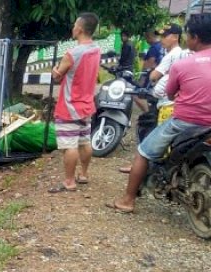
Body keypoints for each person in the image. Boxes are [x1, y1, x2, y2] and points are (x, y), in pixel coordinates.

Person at [108, 14, 211, 213]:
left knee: (143, 152)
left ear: (196, 38)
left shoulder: (182, 64)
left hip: (184, 122)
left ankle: (127, 201)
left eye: (188, 35)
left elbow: (170, 93)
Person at [119, 24, 188, 174]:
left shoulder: (172, 55)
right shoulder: (180, 53)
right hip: (167, 102)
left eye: (165, 36)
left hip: (167, 103)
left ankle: (151, 169)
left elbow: (154, 75)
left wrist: (153, 76)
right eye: (161, 35)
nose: (162, 39)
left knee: (155, 138)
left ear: (175, 37)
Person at [48, 12, 102, 193]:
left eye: (74, 25)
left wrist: (55, 70)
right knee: (84, 141)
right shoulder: (96, 50)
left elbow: (57, 76)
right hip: (87, 104)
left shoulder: (72, 53)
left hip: (69, 105)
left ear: (79, 29)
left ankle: (69, 181)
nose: (72, 28)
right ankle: (84, 174)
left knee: (69, 145)